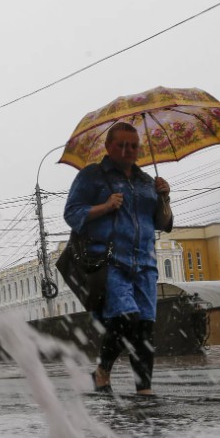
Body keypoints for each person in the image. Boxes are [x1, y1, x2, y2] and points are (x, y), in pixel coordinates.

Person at [64, 122, 173, 395]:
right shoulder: (92, 176)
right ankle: (102, 371)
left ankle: (144, 389)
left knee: (145, 327)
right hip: (111, 260)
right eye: (122, 145)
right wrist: (105, 206)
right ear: (108, 146)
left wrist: (165, 198)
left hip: (145, 263)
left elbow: (163, 222)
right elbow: (72, 213)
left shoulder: (147, 182)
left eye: (133, 145)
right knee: (126, 318)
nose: (128, 150)